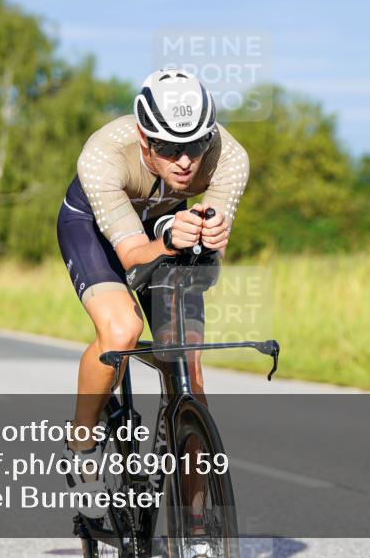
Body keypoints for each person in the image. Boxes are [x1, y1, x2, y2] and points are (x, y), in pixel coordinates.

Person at [56, 69, 249, 509]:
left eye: (196, 145)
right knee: (122, 330)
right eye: (167, 148)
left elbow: (204, 263)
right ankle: (82, 446)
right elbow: (131, 257)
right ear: (145, 140)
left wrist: (209, 241)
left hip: (163, 226)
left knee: (188, 372)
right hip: (97, 230)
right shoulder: (103, 155)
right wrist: (166, 240)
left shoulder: (230, 158)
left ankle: (196, 523)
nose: (185, 161)